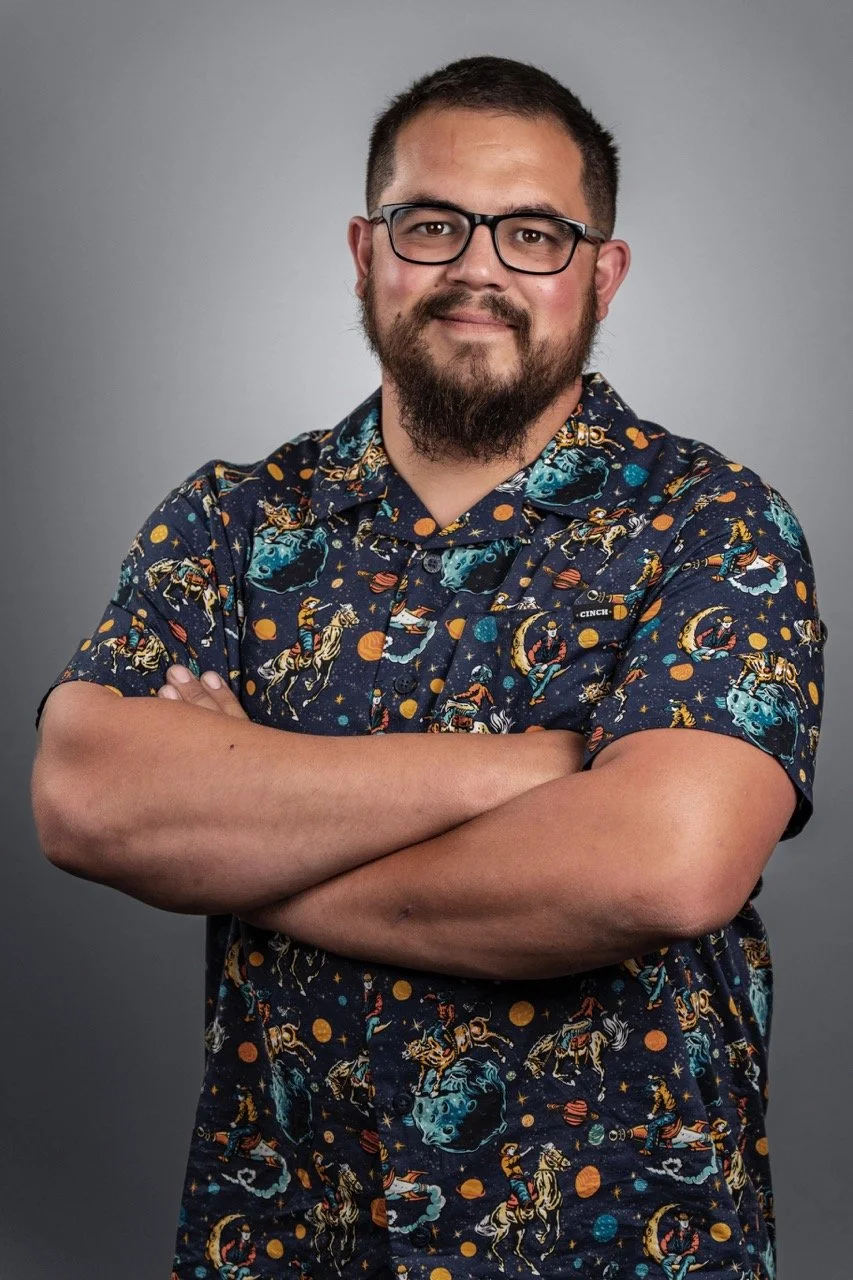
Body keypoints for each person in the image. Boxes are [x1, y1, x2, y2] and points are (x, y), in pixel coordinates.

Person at [30, 54, 826, 1279]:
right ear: (365, 252)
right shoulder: (230, 520)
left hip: (624, 1240)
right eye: (431, 223)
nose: (477, 268)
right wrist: (539, 769)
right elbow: (88, 797)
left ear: (602, 272)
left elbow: (665, 867)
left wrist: (251, 854)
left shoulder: (715, 525)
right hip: (286, 1237)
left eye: (533, 234)